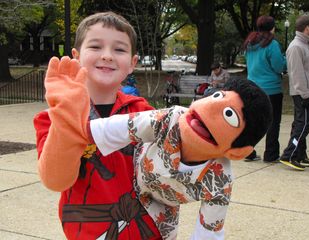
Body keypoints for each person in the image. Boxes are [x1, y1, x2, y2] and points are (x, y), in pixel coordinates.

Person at [41, 54, 273, 240]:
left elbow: (210, 230)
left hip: (163, 205)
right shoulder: (170, 118)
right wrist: (78, 127)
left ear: (236, 152)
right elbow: (121, 127)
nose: (209, 108)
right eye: (216, 97)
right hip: (132, 171)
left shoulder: (220, 181)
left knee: (158, 234)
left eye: (229, 116)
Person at [33, 12, 162, 240]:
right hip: (87, 233)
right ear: (76, 57)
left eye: (119, 50)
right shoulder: (51, 119)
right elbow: (56, 180)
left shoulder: (146, 114)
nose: (107, 56)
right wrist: (66, 118)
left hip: (148, 232)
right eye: (95, 46)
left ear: (132, 63)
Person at [243, 15, 287, 163]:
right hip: (271, 89)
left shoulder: (249, 44)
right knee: (273, 122)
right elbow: (279, 66)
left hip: (253, 88)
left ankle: (247, 151)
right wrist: (285, 60)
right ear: (272, 28)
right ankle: (271, 154)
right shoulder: (272, 44)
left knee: (253, 121)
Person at [280, 15, 309, 170]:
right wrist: (304, 93)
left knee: (301, 124)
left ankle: (300, 155)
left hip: (307, 91)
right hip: (303, 92)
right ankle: (289, 154)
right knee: (304, 124)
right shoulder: (296, 47)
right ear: (306, 27)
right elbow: (296, 73)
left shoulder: (304, 44)